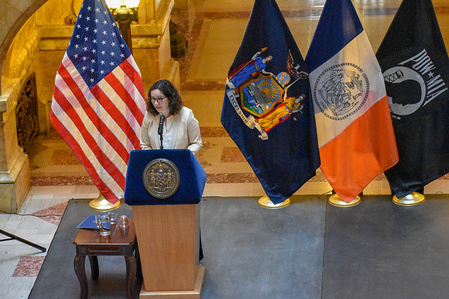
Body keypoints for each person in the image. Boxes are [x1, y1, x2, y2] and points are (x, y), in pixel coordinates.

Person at [140, 79, 202, 155]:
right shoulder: (149, 116)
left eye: (160, 99)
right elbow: (145, 144)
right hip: (158, 165)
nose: (156, 103)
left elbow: (196, 143)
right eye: (153, 99)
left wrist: (183, 157)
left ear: (170, 98)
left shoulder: (186, 115)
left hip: (182, 163)